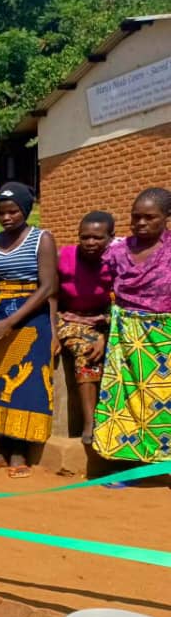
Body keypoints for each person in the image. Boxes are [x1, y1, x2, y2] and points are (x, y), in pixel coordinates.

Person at [0, 183, 59, 478]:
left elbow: (47, 286)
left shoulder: (41, 239)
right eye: (1, 212)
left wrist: (9, 323)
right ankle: (1, 448)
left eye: (13, 211)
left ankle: (20, 452)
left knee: (24, 385)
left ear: (25, 210)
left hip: (30, 320)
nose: (7, 217)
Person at [93, 188, 171, 464]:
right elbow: (105, 292)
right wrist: (105, 330)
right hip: (124, 335)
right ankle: (123, 461)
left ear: (166, 217)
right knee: (123, 400)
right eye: (135, 217)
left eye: (149, 217)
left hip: (164, 339)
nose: (140, 223)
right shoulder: (117, 251)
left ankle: (164, 462)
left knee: (163, 402)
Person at [57, 212, 115, 446]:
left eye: (97, 238)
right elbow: (51, 295)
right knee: (86, 351)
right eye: (85, 237)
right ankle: (90, 422)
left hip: (103, 321)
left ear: (110, 237)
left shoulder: (117, 260)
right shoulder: (65, 257)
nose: (90, 243)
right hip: (68, 319)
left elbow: (121, 301)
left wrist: (107, 336)